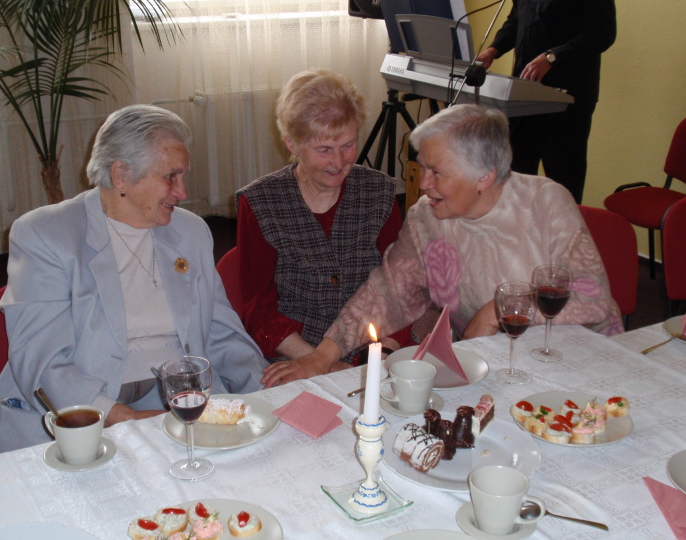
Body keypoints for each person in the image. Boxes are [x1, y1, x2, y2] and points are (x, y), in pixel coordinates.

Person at [265, 104, 623, 387]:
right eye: (422, 168)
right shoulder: (427, 217)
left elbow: (592, 300)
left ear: (484, 176)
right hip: (491, 364)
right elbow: (387, 292)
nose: (423, 183)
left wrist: (498, 309)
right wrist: (323, 356)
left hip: (575, 359)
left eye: (437, 172)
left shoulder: (545, 203)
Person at [0, 104, 268, 452]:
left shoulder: (190, 231)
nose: (182, 192)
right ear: (121, 175)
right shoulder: (46, 233)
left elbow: (221, 332)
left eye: (183, 176)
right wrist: (126, 418)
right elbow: (41, 358)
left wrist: (268, 391)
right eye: (171, 177)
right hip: (79, 408)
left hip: (175, 399)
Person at [235, 69, 410, 387]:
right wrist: (319, 361)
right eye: (324, 150)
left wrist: (381, 357)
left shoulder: (379, 192)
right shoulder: (260, 202)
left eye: (348, 145)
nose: (339, 162)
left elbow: (399, 288)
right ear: (292, 143)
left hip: (374, 350)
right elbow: (257, 308)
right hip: (294, 354)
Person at [475, 0, 617, 204]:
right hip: (524, 96)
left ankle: (563, 225)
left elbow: (603, 34)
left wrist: (553, 56)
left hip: (567, 99)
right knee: (516, 175)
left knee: (563, 180)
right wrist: (494, 49)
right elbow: (516, 21)